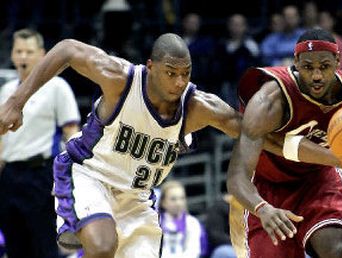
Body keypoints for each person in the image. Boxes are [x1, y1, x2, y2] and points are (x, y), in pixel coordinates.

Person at [0, 33, 241, 258]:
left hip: (136, 197)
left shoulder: (197, 107)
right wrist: (15, 103)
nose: (179, 82)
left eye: (186, 73)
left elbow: (248, 131)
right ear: (151, 67)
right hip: (91, 174)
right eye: (170, 73)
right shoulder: (121, 79)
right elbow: (68, 49)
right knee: (103, 246)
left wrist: (278, 149)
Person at [227, 28, 342, 258]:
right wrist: (262, 208)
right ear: (296, 63)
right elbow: (237, 175)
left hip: (319, 180)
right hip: (269, 188)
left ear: (338, 61)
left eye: (324, 66)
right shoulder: (269, 101)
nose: (317, 75)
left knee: (339, 252)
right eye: (308, 67)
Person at [0, 29, 80, 258]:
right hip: (9, 177)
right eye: (19, 51)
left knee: (43, 247)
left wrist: (68, 180)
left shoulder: (57, 87)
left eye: (29, 51)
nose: (23, 57)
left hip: (41, 175)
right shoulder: (6, 90)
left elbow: (71, 133)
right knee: (14, 248)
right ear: (13, 55)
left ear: (43, 55)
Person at [159, 180, 205, 258]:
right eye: (173, 199)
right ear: (163, 202)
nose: (178, 203)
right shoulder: (155, 223)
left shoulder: (192, 222)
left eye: (182, 198)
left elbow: (193, 252)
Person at [205, 193, 236, 258]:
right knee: (225, 252)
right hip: (223, 247)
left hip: (242, 245)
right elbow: (215, 235)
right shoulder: (217, 208)